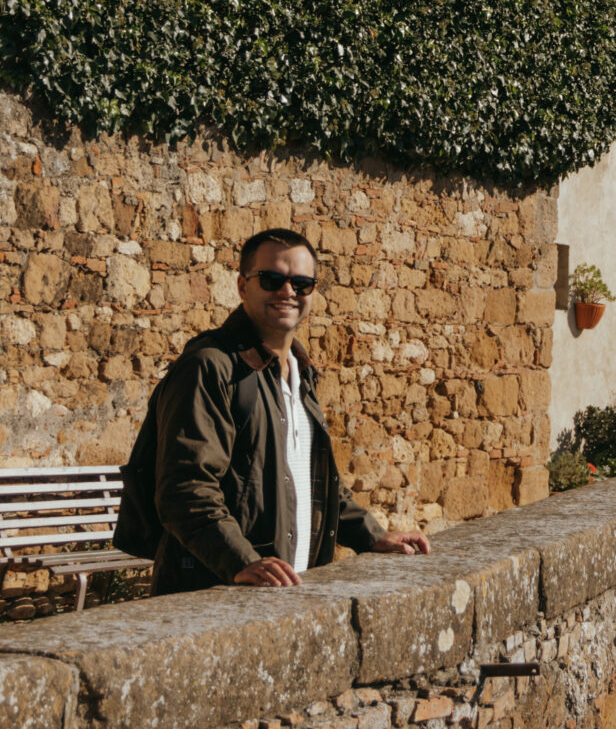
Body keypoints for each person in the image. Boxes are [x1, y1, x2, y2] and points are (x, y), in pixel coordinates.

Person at [151, 227, 430, 592]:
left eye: (301, 284)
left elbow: (313, 481)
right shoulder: (210, 367)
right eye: (271, 279)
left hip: (285, 594)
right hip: (217, 593)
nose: (287, 292)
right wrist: (242, 560)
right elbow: (185, 489)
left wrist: (372, 535)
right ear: (241, 286)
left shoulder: (301, 371)